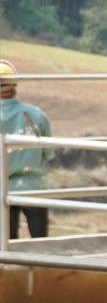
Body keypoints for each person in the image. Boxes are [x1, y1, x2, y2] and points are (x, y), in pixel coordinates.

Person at [1, 60, 54, 240]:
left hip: (3, 190)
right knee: (40, 245)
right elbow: (48, 153)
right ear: (14, 83)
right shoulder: (37, 114)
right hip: (35, 186)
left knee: (7, 247)